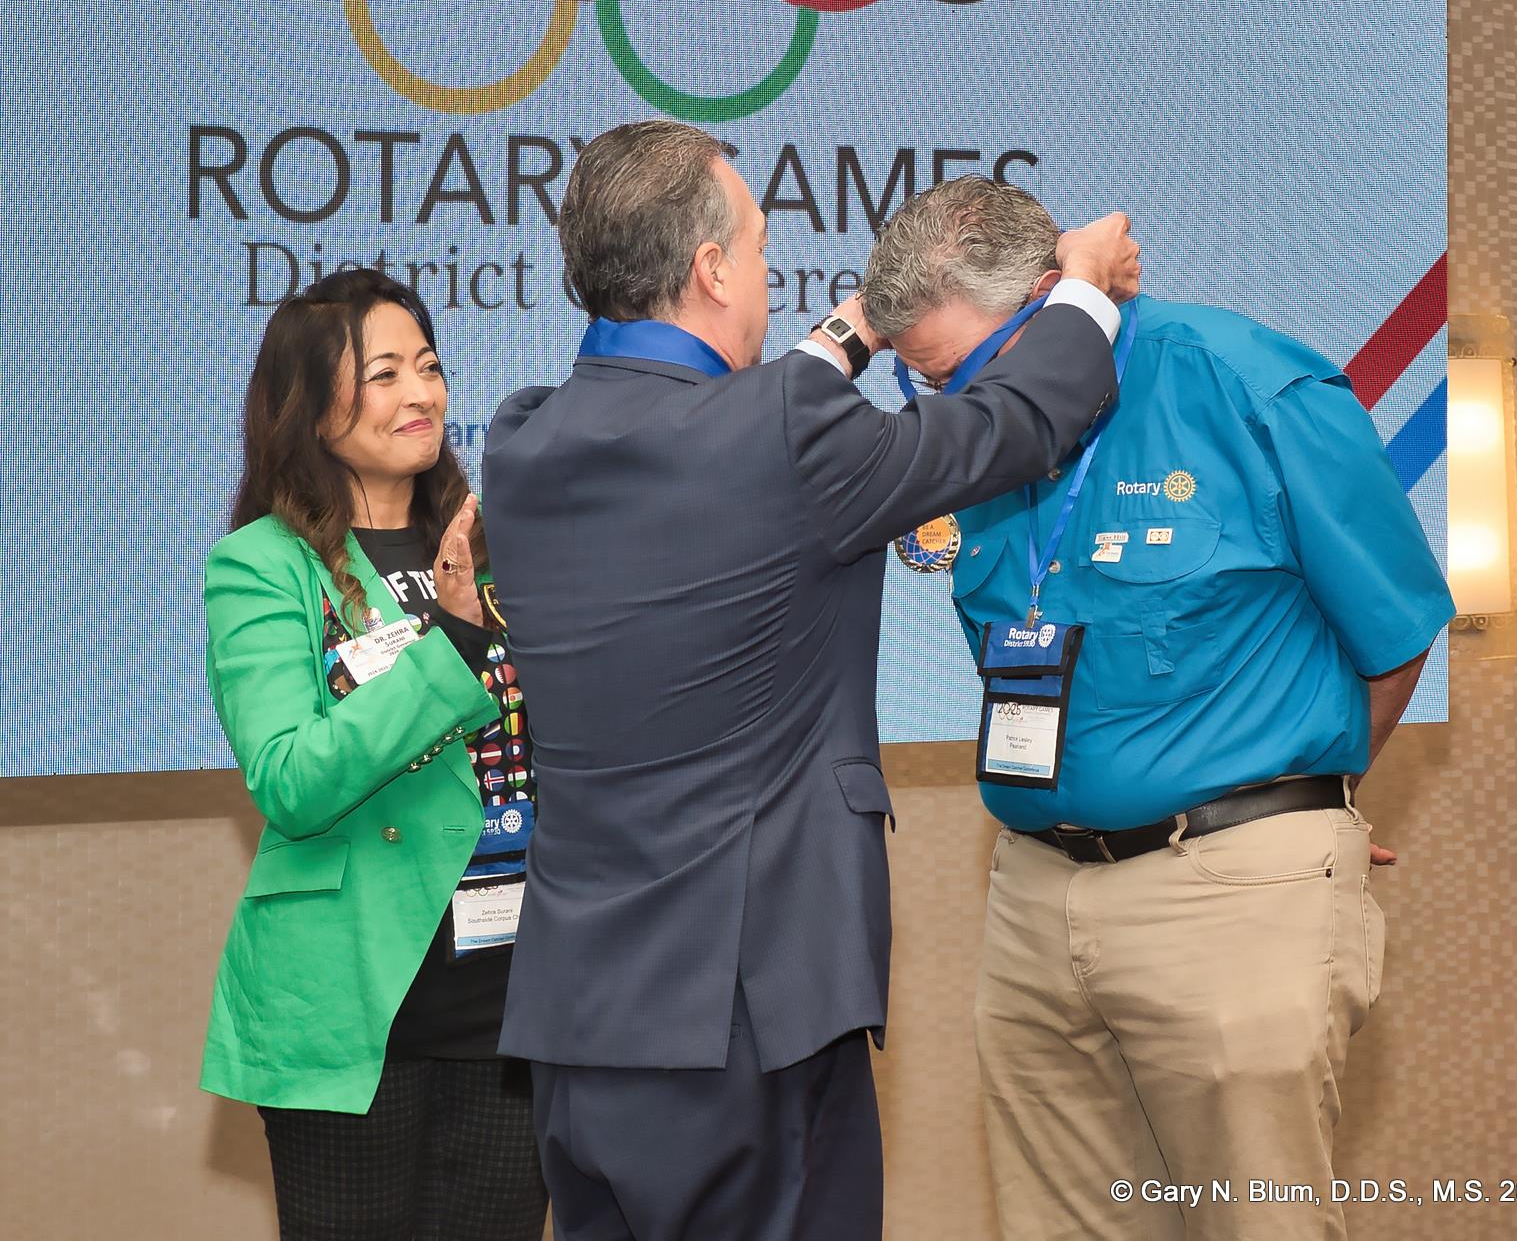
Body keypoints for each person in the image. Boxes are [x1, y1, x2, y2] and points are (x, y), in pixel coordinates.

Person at [480, 120, 1141, 1241]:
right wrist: (1081, 289)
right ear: (711, 270)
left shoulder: (525, 440)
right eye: (758, 245)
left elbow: (729, 417)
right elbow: (1017, 422)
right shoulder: (785, 431)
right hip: (746, 1011)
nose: (767, 271)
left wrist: (857, 328)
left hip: (579, 1016)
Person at [860, 176, 1456, 1241]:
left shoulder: (1245, 386)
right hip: (1033, 897)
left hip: (1227, 894)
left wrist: (1303, 811)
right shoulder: (982, 434)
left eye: (962, 373)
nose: (950, 408)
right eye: (923, 382)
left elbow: (1396, 633)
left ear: (1053, 301)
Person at [200, 269, 548, 1241]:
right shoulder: (263, 565)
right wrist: (451, 642)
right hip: (356, 1007)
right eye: (384, 374)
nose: (421, 393)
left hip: (512, 999)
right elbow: (292, 779)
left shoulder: (495, 546)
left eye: (428, 367)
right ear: (310, 408)